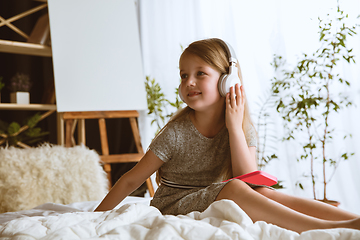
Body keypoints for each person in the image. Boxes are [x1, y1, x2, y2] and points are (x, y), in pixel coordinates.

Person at [95, 38, 360, 233]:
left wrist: (234, 128)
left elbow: (251, 181)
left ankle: (350, 221)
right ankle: (326, 229)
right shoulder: (176, 133)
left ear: (228, 81)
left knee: (263, 193)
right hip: (174, 204)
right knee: (235, 187)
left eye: (201, 74)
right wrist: (95, 217)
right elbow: (131, 181)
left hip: (215, 195)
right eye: (184, 75)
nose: (189, 82)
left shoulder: (241, 128)